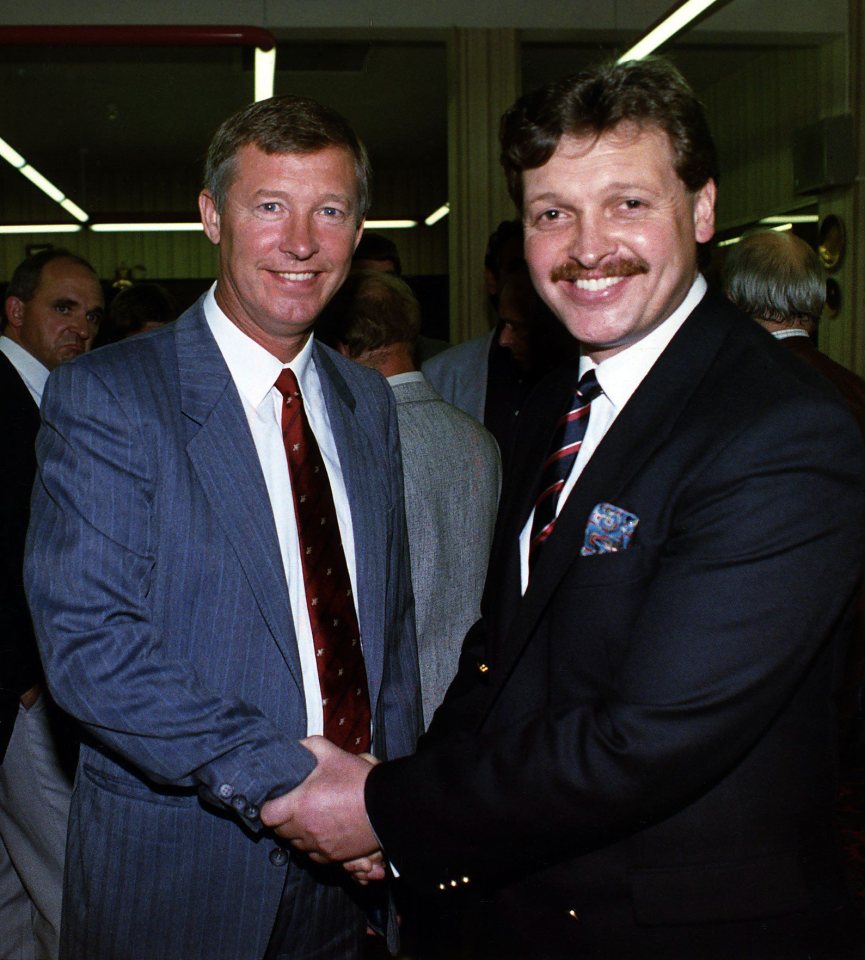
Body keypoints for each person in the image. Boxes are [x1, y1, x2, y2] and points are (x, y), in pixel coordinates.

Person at [261, 59, 865, 960]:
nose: (588, 247)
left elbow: (646, 740)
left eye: (628, 204)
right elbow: (499, 658)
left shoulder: (780, 432)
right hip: (525, 899)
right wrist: (408, 805)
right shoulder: (558, 402)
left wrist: (383, 808)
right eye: (553, 213)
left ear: (701, 210)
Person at [24, 96, 421, 960]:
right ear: (211, 217)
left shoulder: (363, 406)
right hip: (185, 874)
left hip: (355, 878)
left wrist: (391, 809)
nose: (302, 242)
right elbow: (90, 646)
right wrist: (301, 788)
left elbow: (384, 635)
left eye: (330, 211)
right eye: (269, 206)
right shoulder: (110, 397)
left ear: (357, 231)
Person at [320, 270, 500, 726]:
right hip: (470, 701)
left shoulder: (352, 448)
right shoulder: (479, 439)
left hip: (385, 711)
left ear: (340, 345)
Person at [722, 228, 865, 756]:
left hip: (750, 665)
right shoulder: (855, 394)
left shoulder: (727, 395)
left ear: (732, 300)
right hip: (846, 656)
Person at [0, 248, 104, 960]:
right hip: (24, 681)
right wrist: (30, 678)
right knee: (76, 882)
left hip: (31, 677)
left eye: (93, 315)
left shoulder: (51, 396)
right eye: (62, 309)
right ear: (16, 311)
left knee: (14, 880)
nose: (81, 328)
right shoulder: (10, 396)